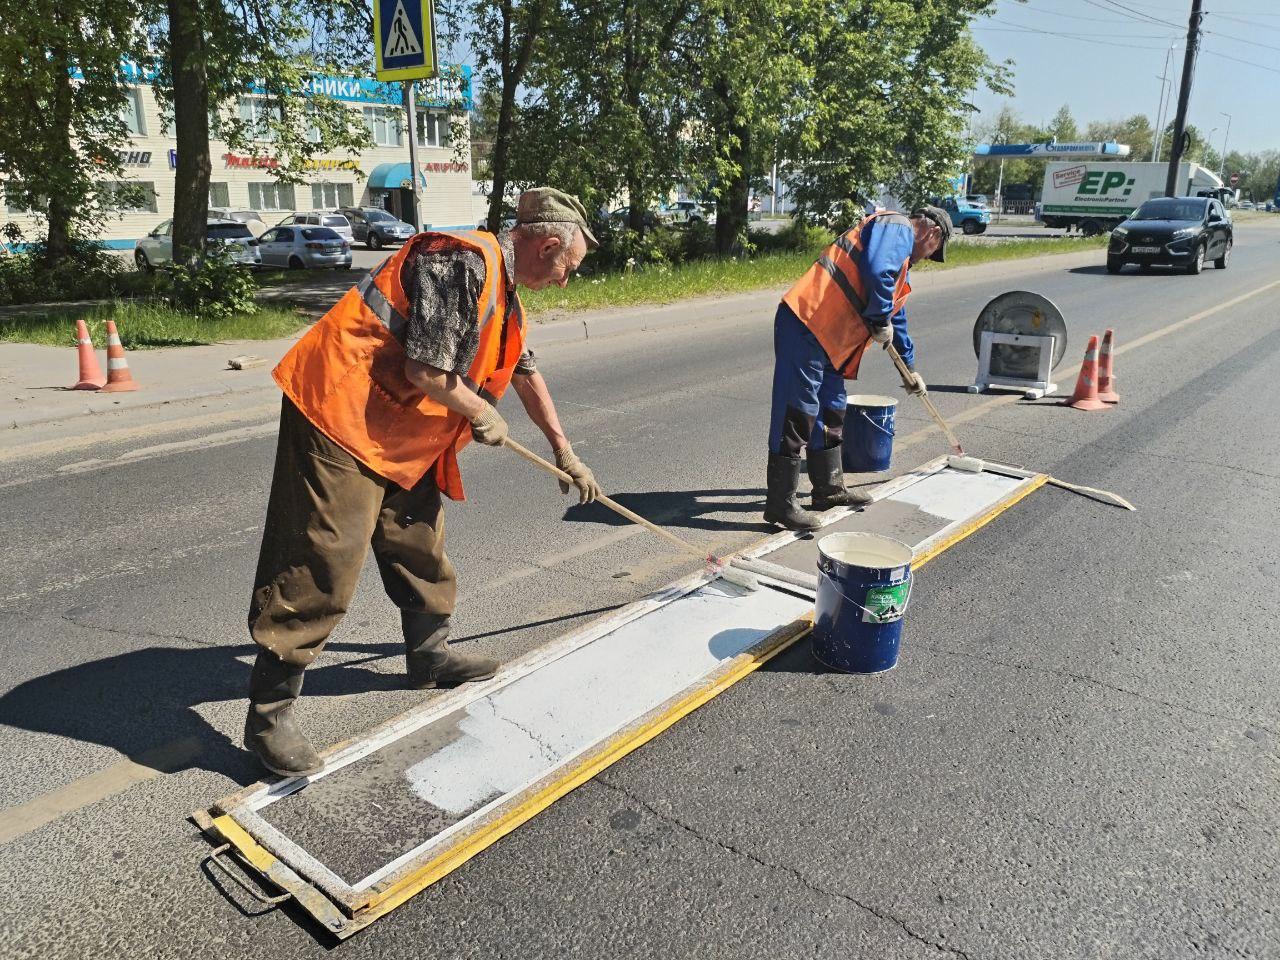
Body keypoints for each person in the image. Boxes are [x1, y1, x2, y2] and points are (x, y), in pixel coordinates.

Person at [244, 187, 601, 777]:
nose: (568, 280)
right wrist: (480, 413)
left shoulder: (505, 292)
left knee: (416, 536)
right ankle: (269, 716)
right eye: (570, 267)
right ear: (546, 245)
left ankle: (428, 657)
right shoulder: (462, 261)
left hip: (397, 426)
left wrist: (566, 452)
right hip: (340, 411)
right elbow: (426, 370)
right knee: (324, 557)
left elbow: (524, 368)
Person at [764, 204, 953, 531]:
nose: (927, 257)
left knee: (832, 408)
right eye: (934, 251)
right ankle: (781, 504)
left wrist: (909, 368)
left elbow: (897, 320)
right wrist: (879, 318)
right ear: (933, 233)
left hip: (831, 339)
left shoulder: (902, 268)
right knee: (798, 409)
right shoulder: (897, 226)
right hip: (808, 321)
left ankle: (828, 488)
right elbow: (877, 270)